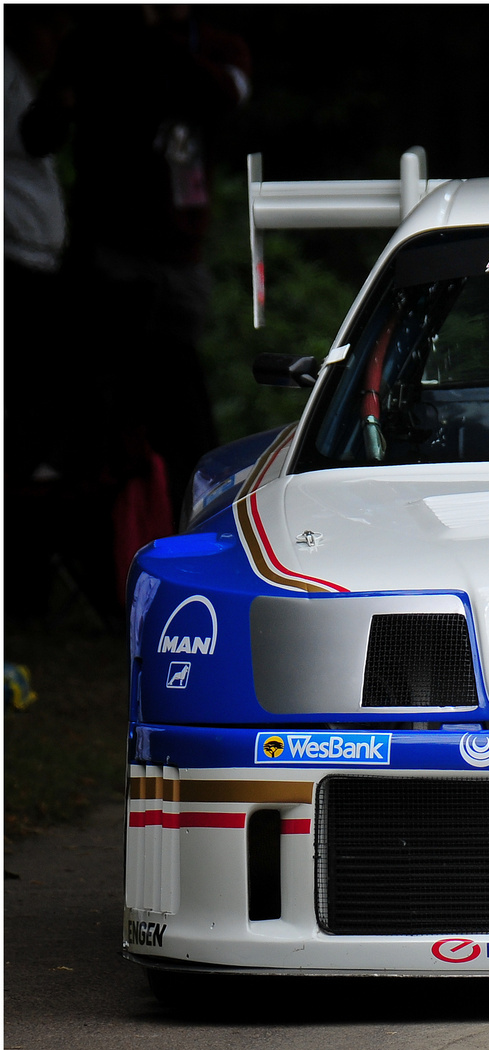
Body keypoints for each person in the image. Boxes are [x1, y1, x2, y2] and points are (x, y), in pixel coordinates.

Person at [20, 7, 250, 614]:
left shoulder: (210, 42)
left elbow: (225, 98)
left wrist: (161, 43)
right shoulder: (97, 42)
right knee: (105, 423)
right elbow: (37, 130)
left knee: (183, 418)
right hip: (109, 256)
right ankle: (102, 573)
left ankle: (195, 567)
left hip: (179, 256)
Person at [4, 10, 68, 619]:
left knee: (36, 426)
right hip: (12, 266)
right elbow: (35, 134)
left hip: (37, 264)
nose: (58, 40)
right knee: (20, 428)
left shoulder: (21, 74)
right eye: (50, 26)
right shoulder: (6, 75)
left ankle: (29, 585)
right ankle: (19, 588)